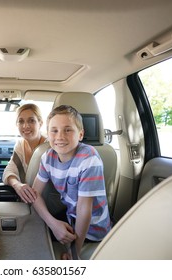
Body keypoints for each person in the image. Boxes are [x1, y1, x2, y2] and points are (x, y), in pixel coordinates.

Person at [31, 105, 111, 260]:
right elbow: (35, 194)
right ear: (47, 134)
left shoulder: (89, 159)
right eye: (54, 130)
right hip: (70, 218)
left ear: (80, 134)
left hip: (93, 230)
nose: (60, 136)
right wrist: (53, 224)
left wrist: (75, 253)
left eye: (68, 130)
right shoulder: (47, 157)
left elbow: (84, 209)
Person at [2, 103, 46, 203]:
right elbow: (9, 171)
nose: (25, 126)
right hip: (26, 200)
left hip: (45, 202)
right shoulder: (20, 145)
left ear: (40, 123)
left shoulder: (48, 146)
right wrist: (17, 185)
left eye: (31, 121)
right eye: (21, 121)